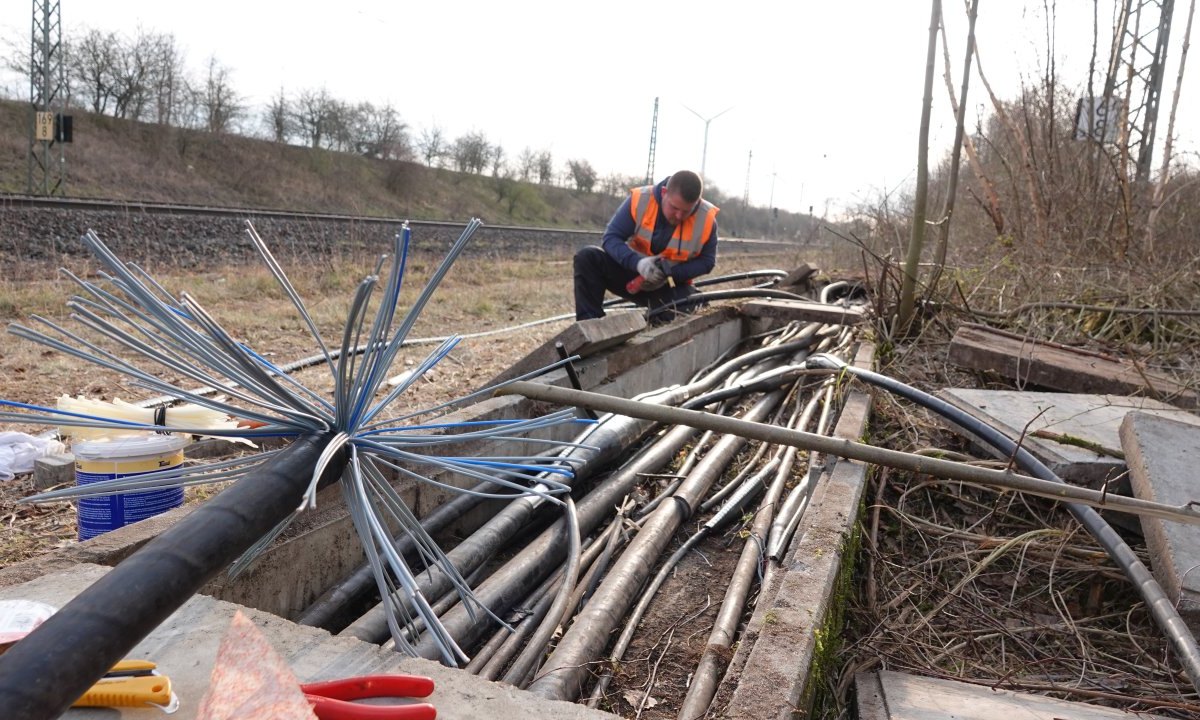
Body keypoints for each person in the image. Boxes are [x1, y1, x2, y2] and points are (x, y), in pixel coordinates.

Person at [573, 170, 720, 321]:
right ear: (664, 193)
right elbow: (611, 238)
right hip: (630, 274)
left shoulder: (706, 219)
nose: (679, 216)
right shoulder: (641, 200)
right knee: (588, 257)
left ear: (696, 202)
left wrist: (670, 273)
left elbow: (707, 262)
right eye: (675, 208)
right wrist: (637, 263)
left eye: (686, 211)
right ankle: (590, 325)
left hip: (669, 284)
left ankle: (654, 324)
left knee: (696, 308)